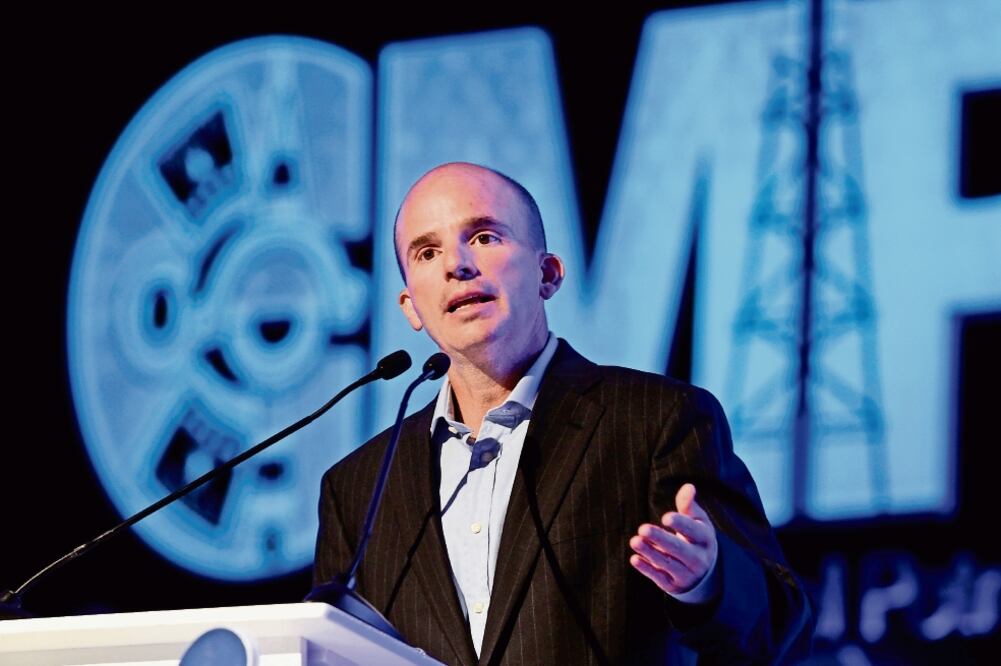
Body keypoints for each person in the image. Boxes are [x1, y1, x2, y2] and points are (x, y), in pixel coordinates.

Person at [313, 162, 814, 664]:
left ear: (547, 274)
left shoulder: (658, 422)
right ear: (410, 307)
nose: (456, 265)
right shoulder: (357, 489)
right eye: (427, 252)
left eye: (484, 237)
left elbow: (782, 627)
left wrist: (708, 582)